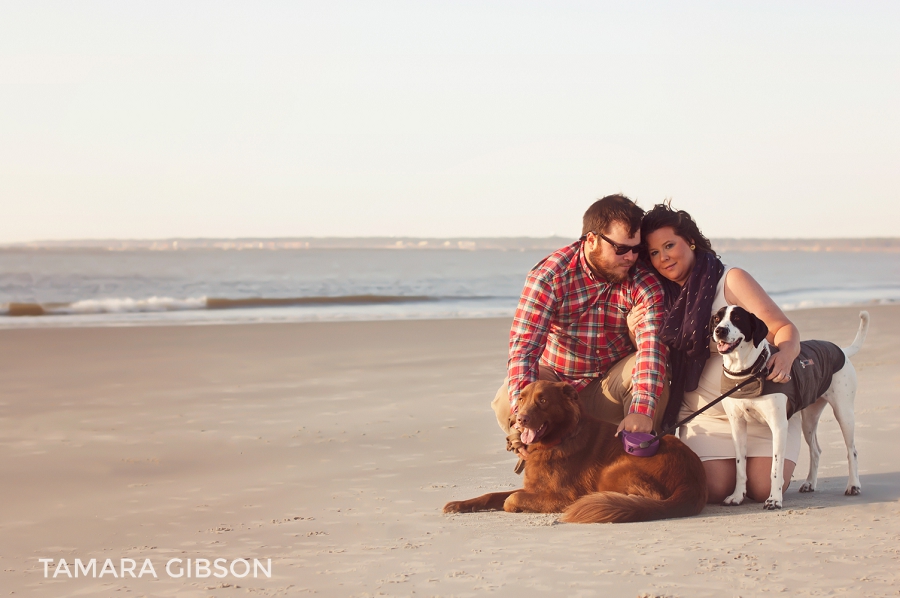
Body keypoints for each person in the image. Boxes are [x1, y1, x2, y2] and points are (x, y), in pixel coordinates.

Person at [627, 202, 801, 503]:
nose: (663, 257)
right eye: (654, 252)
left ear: (690, 241)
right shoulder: (659, 295)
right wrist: (634, 331)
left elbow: (784, 328)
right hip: (705, 413)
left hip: (759, 407)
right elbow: (654, 358)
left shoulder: (730, 281)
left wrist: (785, 354)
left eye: (669, 245)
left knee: (762, 490)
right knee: (714, 490)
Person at [492, 194, 670, 464]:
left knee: (653, 372)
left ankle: (631, 460)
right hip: (556, 384)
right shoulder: (549, 277)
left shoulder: (644, 283)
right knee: (508, 398)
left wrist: (642, 410)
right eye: (621, 249)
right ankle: (545, 454)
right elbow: (524, 350)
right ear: (591, 240)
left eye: (636, 249)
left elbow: (651, 350)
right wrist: (522, 415)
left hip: (608, 386)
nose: (632, 257)